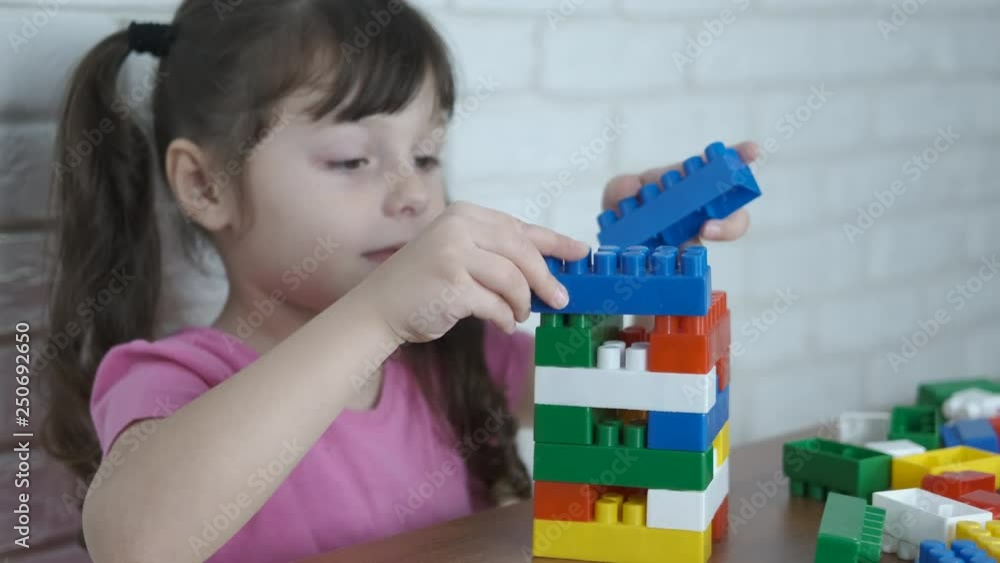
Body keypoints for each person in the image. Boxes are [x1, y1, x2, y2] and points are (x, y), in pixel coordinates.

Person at [41, 1, 755, 561]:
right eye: (353, 160)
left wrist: (643, 277)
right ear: (206, 185)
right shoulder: (179, 378)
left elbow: (627, 410)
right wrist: (377, 315)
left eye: (426, 155)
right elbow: (135, 542)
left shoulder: (455, 354)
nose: (412, 194)